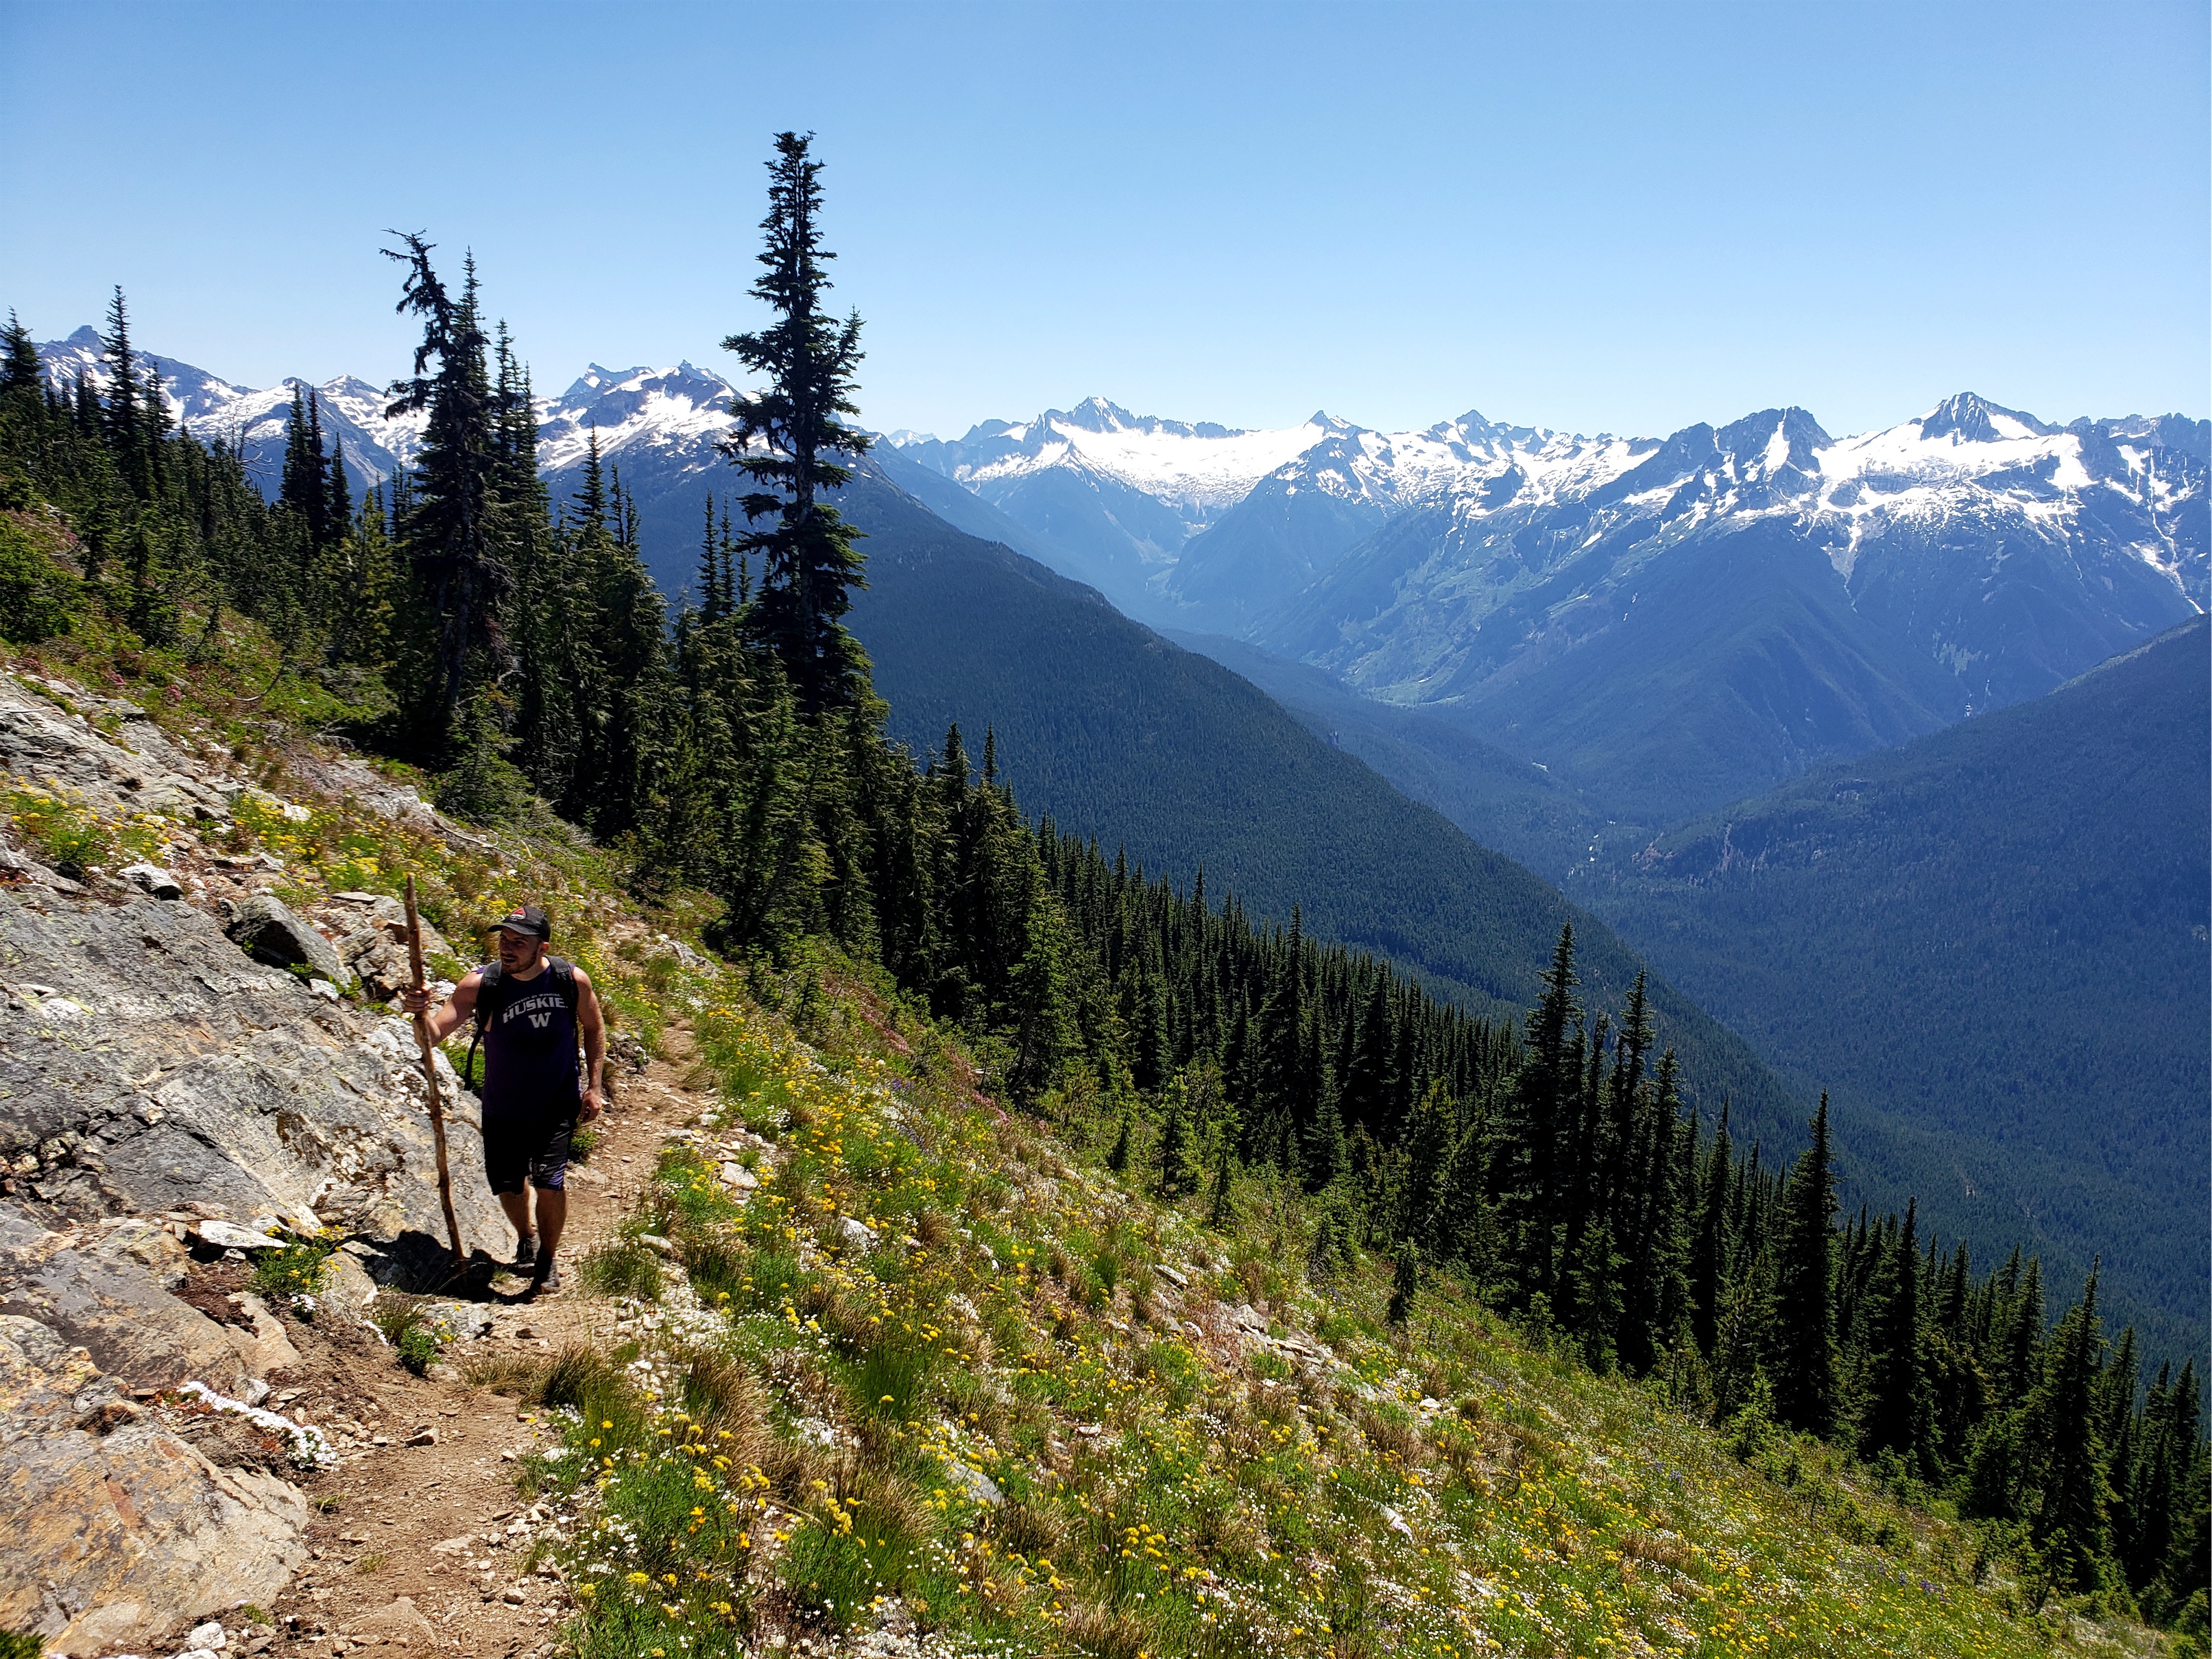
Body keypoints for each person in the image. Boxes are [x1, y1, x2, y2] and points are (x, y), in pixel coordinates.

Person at [402, 905, 603, 1296]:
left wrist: (594, 1087)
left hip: (556, 1103)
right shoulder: (480, 986)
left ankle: (547, 1260)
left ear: (542, 947)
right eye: (504, 939)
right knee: (509, 1184)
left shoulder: (571, 980)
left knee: (549, 1181)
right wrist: (418, 1013)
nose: (508, 948)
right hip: (503, 1106)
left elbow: (594, 1028)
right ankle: (526, 1237)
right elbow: (432, 1037)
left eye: (519, 942)